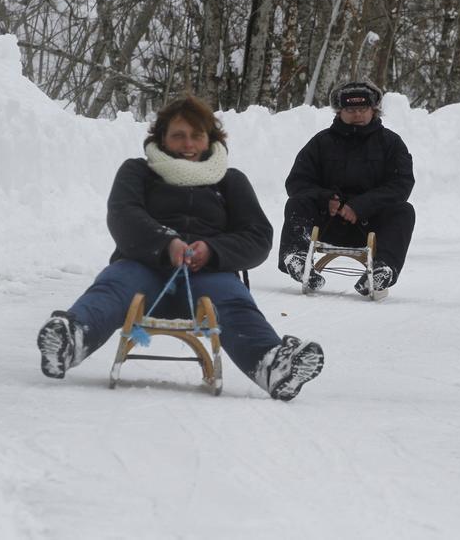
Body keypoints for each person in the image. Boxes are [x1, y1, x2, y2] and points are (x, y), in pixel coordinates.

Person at [36, 96, 324, 401]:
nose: (188, 144)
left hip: (208, 275)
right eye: (178, 135)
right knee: (113, 286)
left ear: (210, 139)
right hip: (143, 267)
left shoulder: (230, 181)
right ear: (161, 138)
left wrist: (213, 250)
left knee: (235, 301)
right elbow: (123, 215)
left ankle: (272, 365)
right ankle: (71, 339)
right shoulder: (138, 172)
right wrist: (165, 243)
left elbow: (257, 236)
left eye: (196, 135)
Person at [278, 81, 415, 296]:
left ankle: (382, 271)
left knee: (404, 211)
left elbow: (401, 185)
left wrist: (360, 206)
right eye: (350, 110)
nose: (357, 115)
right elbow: (296, 182)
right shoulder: (321, 142)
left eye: (363, 109)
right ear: (340, 111)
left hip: (371, 225)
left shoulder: (391, 143)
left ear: (374, 110)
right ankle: (297, 259)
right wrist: (325, 199)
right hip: (327, 221)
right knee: (297, 202)